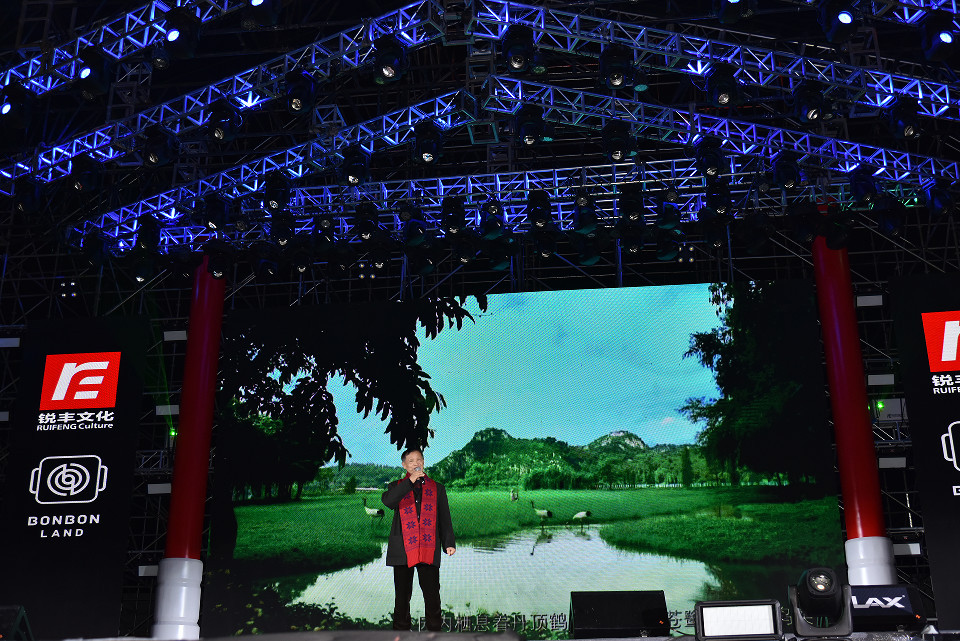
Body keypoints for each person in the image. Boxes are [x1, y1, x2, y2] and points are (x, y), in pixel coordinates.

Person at [381, 447, 456, 631]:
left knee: (432, 597)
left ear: (423, 462)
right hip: (403, 549)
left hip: (428, 548)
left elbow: (444, 517)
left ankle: (434, 633)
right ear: (404, 465)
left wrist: (448, 543)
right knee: (402, 598)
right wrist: (410, 482)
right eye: (411, 461)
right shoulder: (396, 486)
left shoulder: (437, 488)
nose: (416, 463)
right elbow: (388, 502)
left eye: (419, 459)